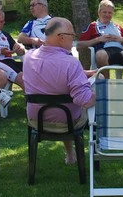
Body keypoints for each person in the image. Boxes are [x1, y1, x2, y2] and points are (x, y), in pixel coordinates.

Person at [22, 17, 94, 165]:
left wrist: (83, 73)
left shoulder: (29, 57)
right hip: (67, 120)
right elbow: (84, 100)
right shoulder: (71, 63)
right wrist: (100, 94)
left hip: (36, 119)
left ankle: (70, 154)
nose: (73, 39)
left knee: (61, 93)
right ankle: (102, 148)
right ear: (61, 37)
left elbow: (52, 72)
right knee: (90, 102)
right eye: (72, 35)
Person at [77, 0, 123, 77]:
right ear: (99, 13)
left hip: (120, 52)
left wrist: (121, 39)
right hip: (104, 52)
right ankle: (107, 82)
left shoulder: (117, 27)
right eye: (104, 12)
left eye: (110, 12)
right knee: (101, 55)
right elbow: (79, 46)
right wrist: (99, 39)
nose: (107, 15)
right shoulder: (92, 26)